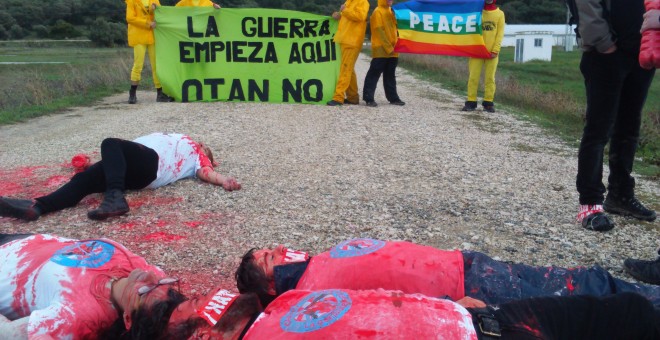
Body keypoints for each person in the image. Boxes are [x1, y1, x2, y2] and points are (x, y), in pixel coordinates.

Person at [235, 238, 660, 308]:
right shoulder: (314, 296)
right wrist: (450, 309)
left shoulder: (317, 264)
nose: (278, 250)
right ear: (273, 284)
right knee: (586, 293)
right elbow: (389, 312)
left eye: (270, 248)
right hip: (470, 288)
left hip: (467, 264)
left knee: (581, 279)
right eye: (270, 259)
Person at [185, 289, 660, 339]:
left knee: (629, 311)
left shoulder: (281, 306)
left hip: (485, 318)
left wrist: (444, 304)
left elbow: (372, 300)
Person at [0, 133, 241, 221]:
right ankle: (39, 207)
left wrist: (223, 180)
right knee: (83, 181)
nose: (203, 144)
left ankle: (115, 195)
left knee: (110, 142)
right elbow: (120, 158)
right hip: (132, 166)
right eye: (204, 145)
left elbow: (206, 172)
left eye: (207, 148)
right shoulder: (181, 139)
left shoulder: (197, 155)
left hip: (152, 164)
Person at [0, 233, 191, 339]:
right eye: (163, 283)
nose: (151, 277)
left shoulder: (77, 317)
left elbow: (7, 333)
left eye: (145, 291)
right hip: (29, 239)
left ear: (127, 319)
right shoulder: (147, 275)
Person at [574, 0, 657, 231]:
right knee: (598, 131)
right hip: (605, 54)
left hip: (641, 54)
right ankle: (590, 203)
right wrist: (603, 44)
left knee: (629, 129)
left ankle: (620, 195)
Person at [461, 0, 505, 113]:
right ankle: (471, 102)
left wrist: (496, 50)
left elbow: (500, 34)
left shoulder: (500, 14)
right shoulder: (476, 12)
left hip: (492, 53)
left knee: (490, 78)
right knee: (473, 77)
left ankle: (488, 103)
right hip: (476, 51)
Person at [126, 0, 173, 104]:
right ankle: (132, 94)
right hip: (138, 36)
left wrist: (155, 9)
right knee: (138, 65)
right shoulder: (131, 1)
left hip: (152, 36)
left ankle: (160, 94)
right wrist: (148, 23)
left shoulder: (154, 0)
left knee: (156, 65)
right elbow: (130, 18)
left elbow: (162, 12)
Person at [361, 0, 405, 107]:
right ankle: (369, 98)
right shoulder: (377, 12)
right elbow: (379, 31)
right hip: (381, 49)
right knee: (374, 73)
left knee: (390, 75)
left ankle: (393, 98)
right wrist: (388, 47)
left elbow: (397, 28)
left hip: (393, 49)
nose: (390, 0)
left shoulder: (392, 11)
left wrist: (396, 46)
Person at [326, 0, 370, 106]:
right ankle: (353, 98)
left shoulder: (363, 2)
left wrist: (344, 10)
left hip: (352, 40)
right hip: (345, 39)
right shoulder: (349, 1)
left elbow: (360, 16)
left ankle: (338, 97)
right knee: (349, 69)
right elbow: (346, 16)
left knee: (345, 69)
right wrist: (338, 15)